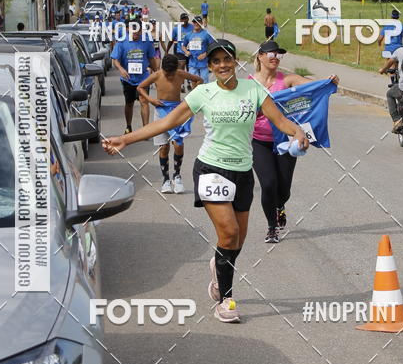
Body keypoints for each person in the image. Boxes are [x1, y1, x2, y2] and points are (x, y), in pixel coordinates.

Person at [103, 38, 309, 323]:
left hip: (243, 172)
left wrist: (296, 132)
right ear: (210, 67)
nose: (222, 65)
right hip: (211, 169)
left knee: (237, 240)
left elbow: (279, 120)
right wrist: (125, 139)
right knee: (227, 232)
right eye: (216, 62)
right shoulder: (203, 93)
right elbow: (166, 123)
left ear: (235, 62)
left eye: (227, 59)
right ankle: (226, 300)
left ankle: (218, 266)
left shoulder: (254, 90)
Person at [251, 40, 339, 243]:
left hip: (287, 141)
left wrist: (330, 81)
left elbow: (313, 85)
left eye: (278, 55)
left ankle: (280, 205)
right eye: (270, 54)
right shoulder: (250, 83)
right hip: (260, 141)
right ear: (260, 57)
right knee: (268, 184)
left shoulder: (287, 79)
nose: (275, 57)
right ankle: (272, 228)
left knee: (283, 188)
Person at [137, 54, 203, 194]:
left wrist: (190, 97)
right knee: (164, 146)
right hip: (161, 109)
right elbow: (140, 87)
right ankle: (165, 179)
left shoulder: (180, 73)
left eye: (172, 73)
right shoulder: (157, 75)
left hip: (177, 110)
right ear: (163, 69)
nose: (170, 76)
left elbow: (199, 79)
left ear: (176, 69)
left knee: (178, 144)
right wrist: (151, 100)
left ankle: (177, 176)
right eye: (167, 73)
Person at [111, 19, 159, 134]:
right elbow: (115, 60)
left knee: (144, 101)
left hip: (143, 78)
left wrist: (157, 73)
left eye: (138, 30)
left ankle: (145, 129)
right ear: (128, 29)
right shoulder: (122, 42)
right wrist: (121, 69)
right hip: (128, 79)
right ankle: (128, 126)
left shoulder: (146, 42)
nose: (136, 32)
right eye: (133, 29)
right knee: (129, 103)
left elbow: (152, 58)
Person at [182, 15, 214, 84]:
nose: (196, 24)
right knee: (193, 82)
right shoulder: (188, 35)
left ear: (201, 23)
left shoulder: (206, 34)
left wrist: (205, 54)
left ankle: (204, 94)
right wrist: (186, 52)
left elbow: (212, 46)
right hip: (192, 63)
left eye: (198, 22)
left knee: (204, 82)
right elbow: (183, 46)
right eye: (195, 22)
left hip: (203, 63)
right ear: (193, 23)